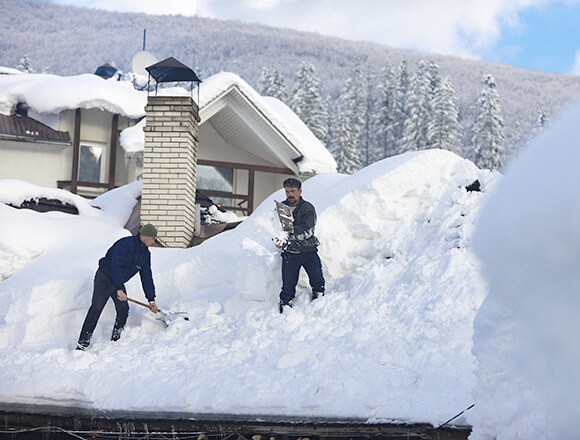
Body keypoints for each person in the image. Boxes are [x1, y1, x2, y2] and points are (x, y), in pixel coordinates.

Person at [76, 224, 160, 350]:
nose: (153, 241)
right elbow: (116, 266)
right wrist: (119, 289)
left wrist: (151, 299)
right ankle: (82, 343)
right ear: (145, 236)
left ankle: (116, 338)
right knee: (96, 308)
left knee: (123, 310)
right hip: (104, 278)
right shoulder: (125, 245)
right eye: (153, 238)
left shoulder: (145, 255)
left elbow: (146, 276)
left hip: (117, 281)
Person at [278, 178, 325, 313]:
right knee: (288, 285)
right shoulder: (282, 208)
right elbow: (276, 228)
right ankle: (285, 304)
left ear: (300, 191)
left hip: (308, 250)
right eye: (287, 191)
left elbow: (307, 231)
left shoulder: (307, 208)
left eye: (293, 191)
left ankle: (319, 300)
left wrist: (288, 232)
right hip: (290, 253)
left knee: (317, 280)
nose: (290, 194)